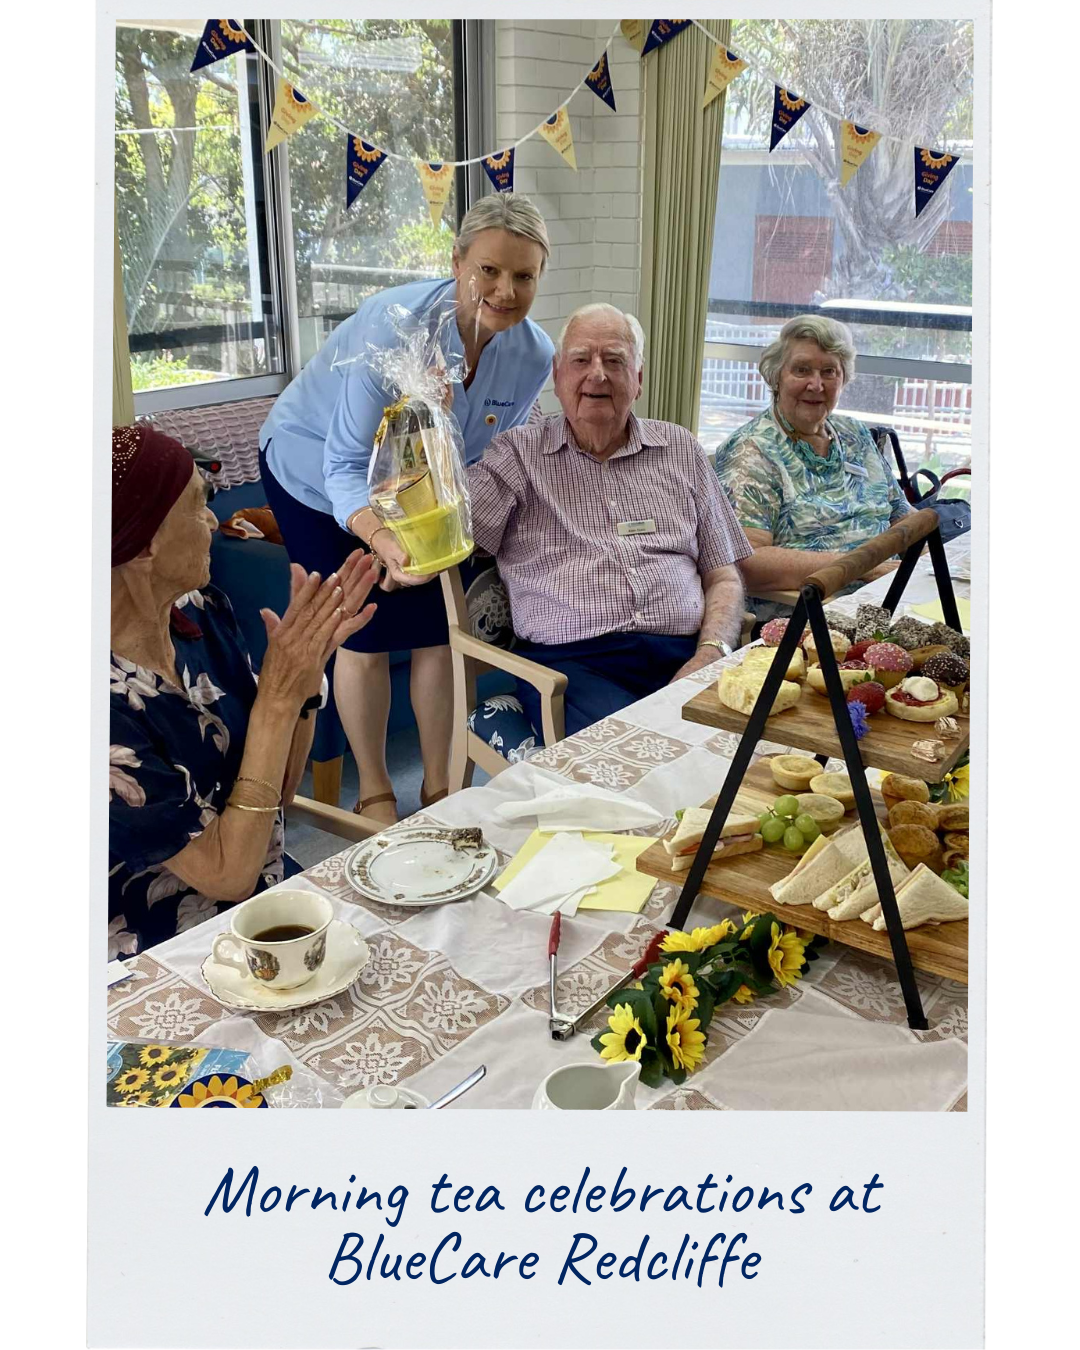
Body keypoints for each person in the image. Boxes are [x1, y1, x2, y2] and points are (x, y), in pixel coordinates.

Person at [259, 194, 555, 823]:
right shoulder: (391, 328)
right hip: (314, 473)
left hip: (421, 487)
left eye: (523, 276)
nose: (504, 290)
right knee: (362, 625)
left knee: (436, 629)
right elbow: (344, 466)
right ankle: (376, 793)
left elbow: (487, 453)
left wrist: (453, 525)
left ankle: (440, 786)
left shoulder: (533, 354)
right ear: (457, 262)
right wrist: (378, 538)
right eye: (489, 271)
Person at [109, 424, 379, 958]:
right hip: (166, 951)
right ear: (140, 544)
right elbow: (226, 876)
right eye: (195, 506)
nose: (212, 519)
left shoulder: (199, 611)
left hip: (269, 895)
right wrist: (277, 700)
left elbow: (274, 789)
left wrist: (302, 679)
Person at [467, 304, 750, 739]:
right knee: (647, 749)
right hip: (570, 666)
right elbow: (457, 534)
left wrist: (711, 652)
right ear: (557, 376)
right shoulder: (517, 455)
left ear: (638, 378)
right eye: (581, 360)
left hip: (687, 651)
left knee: (760, 749)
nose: (597, 374)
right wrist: (436, 422)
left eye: (614, 360)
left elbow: (724, 575)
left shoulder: (679, 448)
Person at [714, 315, 911, 627]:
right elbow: (746, 561)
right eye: (802, 369)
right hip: (810, 618)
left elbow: (904, 517)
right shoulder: (752, 451)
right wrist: (863, 565)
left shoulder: (854, 434)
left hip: (888, 597)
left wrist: (936, 564)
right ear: (776, 376)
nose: (816, 385)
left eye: (829, 371)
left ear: (844, 379)